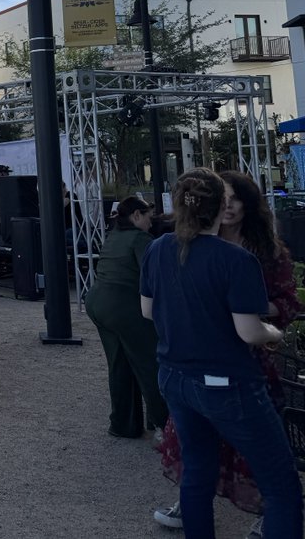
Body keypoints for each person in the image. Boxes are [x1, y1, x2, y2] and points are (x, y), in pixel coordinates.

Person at [140, 169, 301, 539]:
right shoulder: (235, 260)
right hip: (227, 382)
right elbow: (250, 332)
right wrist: (275, 332)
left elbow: (147, 311)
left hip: (174, 376)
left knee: (197, 472)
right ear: (220, 205)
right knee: (281, 485)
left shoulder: (158, 247)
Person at [85, 196, 167, 439]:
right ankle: (164, 425)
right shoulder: (141, 238)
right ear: (136, 215)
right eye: (149, 216)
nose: (151, 221)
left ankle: (123, 424)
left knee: (119, 364)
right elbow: (152, 276)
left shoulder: (113, 236)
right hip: (123, 307)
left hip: (98, 303)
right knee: (150, 364)